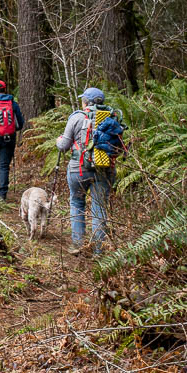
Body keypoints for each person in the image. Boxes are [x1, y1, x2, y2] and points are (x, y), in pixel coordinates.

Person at [56, 87, 122, 254]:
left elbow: (63, 146)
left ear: (85, 101)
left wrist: (59, 140)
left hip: (79, 169)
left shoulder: (77, 117)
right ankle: (98, 250)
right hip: (104, 169)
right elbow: (118, 148)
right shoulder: (112, 119)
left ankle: (78, 245)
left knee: (77, 203)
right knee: (99, 207)